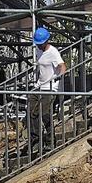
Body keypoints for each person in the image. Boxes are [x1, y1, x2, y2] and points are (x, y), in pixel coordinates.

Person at [31, 26, 65, 155]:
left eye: (40, 44)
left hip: (50, 87)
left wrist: (60, 75)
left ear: (46, 41)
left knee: (45, 113)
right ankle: (36, 140)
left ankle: (51, 141)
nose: (39, 46)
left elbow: (63, 65)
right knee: (32, 112)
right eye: (37, 44)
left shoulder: (53, 51)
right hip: (39, 85)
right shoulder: (38, 51)